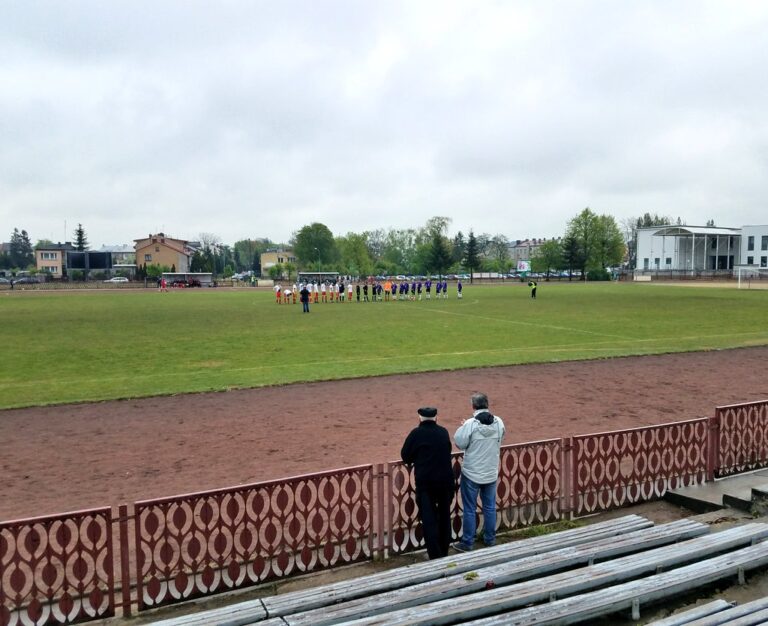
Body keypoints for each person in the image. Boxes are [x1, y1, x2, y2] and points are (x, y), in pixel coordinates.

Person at [400, 407, 455, 560]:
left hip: (426, 483)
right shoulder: (443, 431)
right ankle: (444, 551)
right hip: (445, 481)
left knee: (429, 518)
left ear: (419, 418)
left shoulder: (416, 433)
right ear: (436, 418)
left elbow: (405, 456)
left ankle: (434, 554)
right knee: (445, 516)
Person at [453, 392, 505, 552]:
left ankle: (467, 542)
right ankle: (490, 539)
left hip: (472, 473)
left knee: (469, 508)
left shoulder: (470, 424)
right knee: (489, 507)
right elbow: (501, 436)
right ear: (487, 404)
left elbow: (459, 443)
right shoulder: (498, 422)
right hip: (490, 472)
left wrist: (464, 427)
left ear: (473, 406)